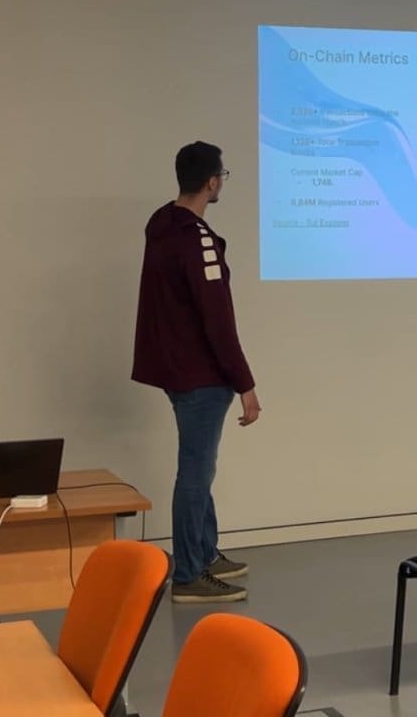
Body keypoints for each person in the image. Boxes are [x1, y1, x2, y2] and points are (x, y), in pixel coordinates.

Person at [132, 141, 261, 604]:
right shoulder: (198, 239)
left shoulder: (162, 224)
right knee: (195, 472)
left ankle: (204, 552)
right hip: (200, 375)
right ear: (211, 181)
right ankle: (188, 574)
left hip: (175, 368)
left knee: (199, 469)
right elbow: (217, 319)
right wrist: (245, 384)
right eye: (222, 175)